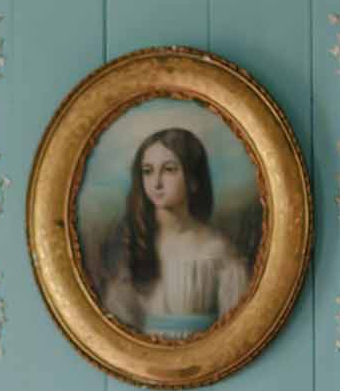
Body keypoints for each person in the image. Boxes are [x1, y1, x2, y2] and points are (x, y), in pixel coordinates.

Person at [98, 128, 250, 337]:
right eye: (148, 171)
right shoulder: (130, 244)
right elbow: (117, 324)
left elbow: (237, 330)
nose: (156, 183)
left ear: (193, 179)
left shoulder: (218, 250)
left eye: (169, 170)